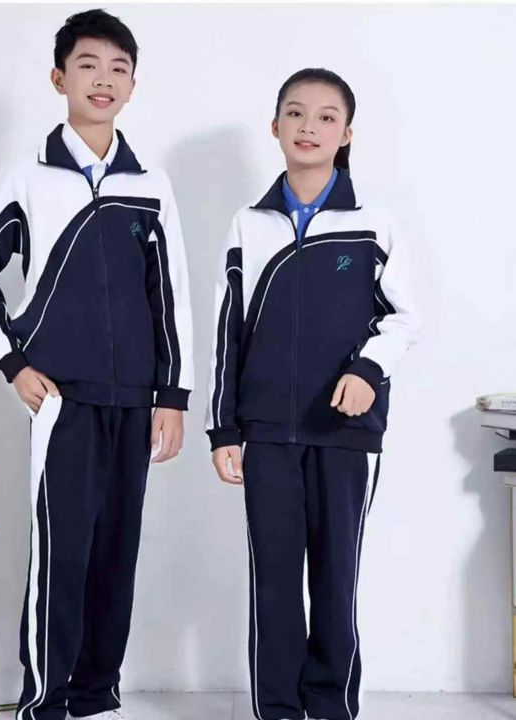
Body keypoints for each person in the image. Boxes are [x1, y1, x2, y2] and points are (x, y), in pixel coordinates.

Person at [0, 10, 193, 720]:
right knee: (62, 553)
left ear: (133, 87)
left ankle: (95, 693)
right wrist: (13, 363)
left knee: (117, 551)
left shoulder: (149, 183)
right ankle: (45, 700)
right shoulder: (28, 178)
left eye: (119, 69)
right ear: (59, 78)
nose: (104, 79)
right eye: (89, 65)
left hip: (135, 399)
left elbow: (171, 293)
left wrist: (172, 395)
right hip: (61, 398)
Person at [205, 68, 419, 720]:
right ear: (275, 127)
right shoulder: (248, 224)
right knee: (273, 582)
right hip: (266, 433)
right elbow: (227, 332)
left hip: (344, 434)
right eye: (296, 113)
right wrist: (224, 429)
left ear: (346, 134)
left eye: (327, 117)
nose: (309, 127)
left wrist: (367, 370)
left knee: (334, 580)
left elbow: (403, 319)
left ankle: (330, 708)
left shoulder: (373, 224)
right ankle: (277, 709)